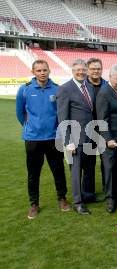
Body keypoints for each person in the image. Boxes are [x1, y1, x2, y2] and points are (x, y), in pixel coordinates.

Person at [16, 59, 69, 219]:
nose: (42, 73)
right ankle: (34, 204)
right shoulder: (24, 90)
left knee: (58, 170)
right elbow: (20, 113)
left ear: (49, 71)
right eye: (38, 70)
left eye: (44, 70)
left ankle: (62, 198)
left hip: (53, 138)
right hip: (33, 139)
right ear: (33, 72)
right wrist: (31, 127)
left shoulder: (57, 89)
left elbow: (60, 113)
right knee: (33, 173)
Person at [57, 59, 95, 215]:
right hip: (74, 139)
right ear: (72, 70)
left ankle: (85, 196)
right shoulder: (65, 89)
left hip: (90, 138)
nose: (81, 72)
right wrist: (68, 142)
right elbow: (62, 117)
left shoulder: (90, 87)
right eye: (78, 69)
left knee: (88, 170)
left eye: (83, 69)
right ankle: (77, 203)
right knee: (75, 172)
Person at [96, 64, 117, 213]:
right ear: (110, 77)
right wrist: (108, 138)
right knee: (109, 169)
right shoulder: (104, 93)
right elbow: (102, 119)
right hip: (110, 140)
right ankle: (110, 199)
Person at [84, 57, 107, 203]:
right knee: (88, 164)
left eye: (98, 68)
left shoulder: (107, 85)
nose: (95, 71)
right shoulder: (82, 86)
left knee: (107, 163)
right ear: (87, 70)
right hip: (87, 131)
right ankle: (88, 194)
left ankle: (108, 190)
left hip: (104, 130)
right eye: (93, 68)